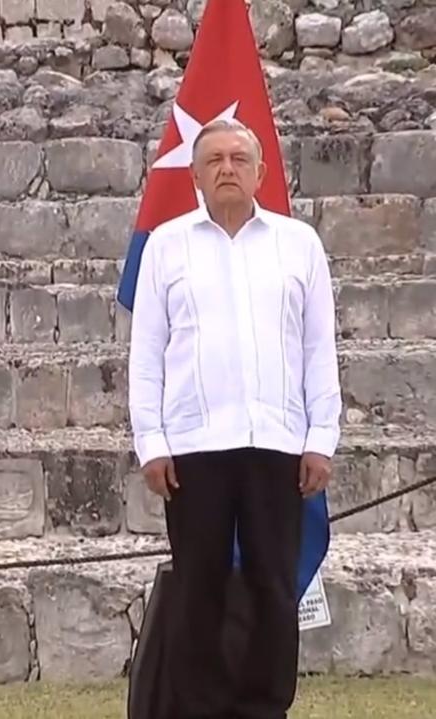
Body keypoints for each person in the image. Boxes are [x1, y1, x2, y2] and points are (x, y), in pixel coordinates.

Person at [127, 117, 341, 719]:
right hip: (195, 447)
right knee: (200, 586)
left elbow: (318, 351)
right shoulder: (167, 246)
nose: (227, 168)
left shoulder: (299, 244)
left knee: (275, 586)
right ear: (194, 175)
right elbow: (146, 353)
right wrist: (152, 442)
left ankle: (264, 706)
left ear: (261, 172)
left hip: (277, 444)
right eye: (214, 159)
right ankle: (200, 706)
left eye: (238, 159)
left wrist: (320, 439)